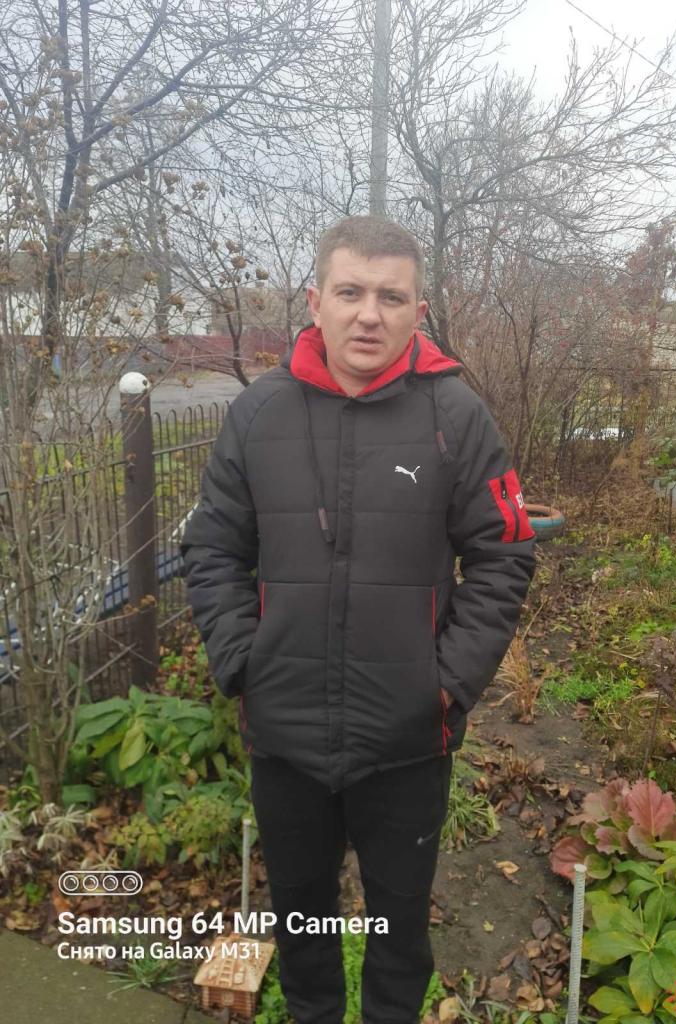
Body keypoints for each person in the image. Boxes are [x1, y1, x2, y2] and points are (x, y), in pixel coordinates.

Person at [181, 215, 536, 1024]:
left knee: (398, 931)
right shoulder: (259, 413)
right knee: (302, 923)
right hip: (286, 734)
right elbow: (212, 549)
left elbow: (504, 553)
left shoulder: (457, 417)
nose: (369, 314)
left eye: (390, 296)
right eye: (350, 292)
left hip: (408, 741)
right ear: (316, 302)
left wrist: (445, 684)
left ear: (418, 310)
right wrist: (243, 662)